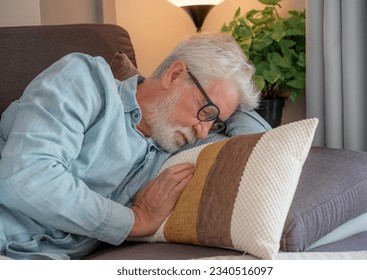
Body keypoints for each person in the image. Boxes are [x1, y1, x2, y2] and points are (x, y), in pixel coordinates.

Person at [0, 32, 271, 259]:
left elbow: (264, 147)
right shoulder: (85, 80)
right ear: (175, 74)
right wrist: (135, 220)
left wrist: (229, 108)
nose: (203, 132)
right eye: (206, 112)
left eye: (214, 123)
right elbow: (28, 176)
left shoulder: (176, 147)